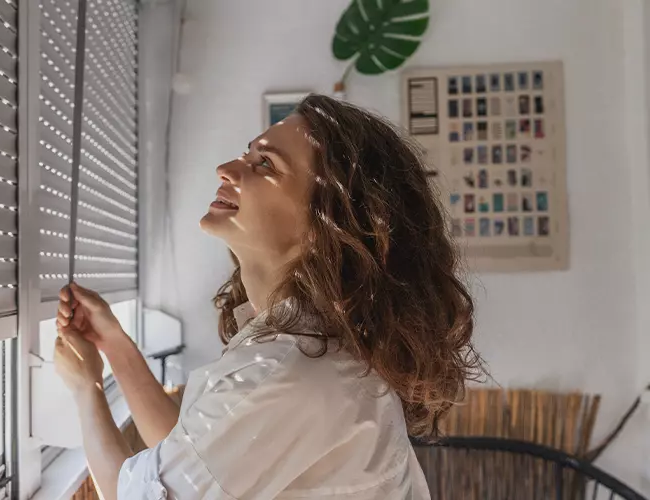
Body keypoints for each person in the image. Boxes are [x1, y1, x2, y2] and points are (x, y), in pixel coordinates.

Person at [53, 95, 482, 499]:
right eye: (246, 154)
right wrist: (113, 344)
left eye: (264, 166)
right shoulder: (310, 352)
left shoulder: (291, 373)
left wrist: (86, 390)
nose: (226, 168)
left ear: (324, 227)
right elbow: (193, 461)